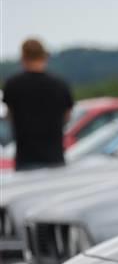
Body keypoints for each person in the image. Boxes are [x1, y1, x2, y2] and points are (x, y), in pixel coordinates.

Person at [3, 38, 73, 170]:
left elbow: (9, 115)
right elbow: (67, 116)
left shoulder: (13, 85)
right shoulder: (59, 84)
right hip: (55, 158)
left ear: (23, 57)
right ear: (44, 56)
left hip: (26, 158)